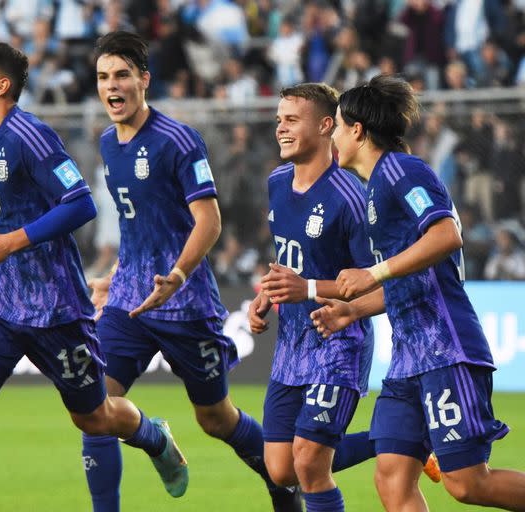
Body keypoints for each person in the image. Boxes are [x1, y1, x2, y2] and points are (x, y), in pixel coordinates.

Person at [0, 41, 187, 512]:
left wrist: (9, 242)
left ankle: (153, 438)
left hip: (55, 309)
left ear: (1, 86)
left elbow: (81, 203)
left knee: (95, 419)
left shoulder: (31, 136)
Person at [85, 31, 301, 512]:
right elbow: (140, 226)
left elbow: (209, 220)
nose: (112, 86)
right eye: (103, 77)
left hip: (185, 303)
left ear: (144, 79)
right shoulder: (107, 143)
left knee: (216, 419)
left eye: (122, 75)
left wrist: (177, 276)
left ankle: (281, 481)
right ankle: (153, 439)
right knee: (92, 407)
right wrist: (115, 274)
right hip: (130, 302)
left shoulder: (178, 140)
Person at [311, 74, 525, 511]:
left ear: (357, 130)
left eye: (335, 125)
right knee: (391, 477)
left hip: (446, 348)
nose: (331, 135)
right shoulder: (375, 186)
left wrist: (374, 273)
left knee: (467, 484)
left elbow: (446, 235)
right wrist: (355, 311)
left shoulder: (400, 170)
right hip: (409, 357)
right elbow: (414, 281)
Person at [248, 82, 377, 512]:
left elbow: (374, 280)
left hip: (340, 341)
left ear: (326, 125)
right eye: (278, 120)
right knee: (281, 468)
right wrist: (270, 290)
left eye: (291, 120)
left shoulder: (352, 197)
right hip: (292, 342)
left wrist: (305, 288)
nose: (280, 129)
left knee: (309, 462)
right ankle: (395, 438)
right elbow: (289, 255)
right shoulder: (277, 181)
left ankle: (397, 438)